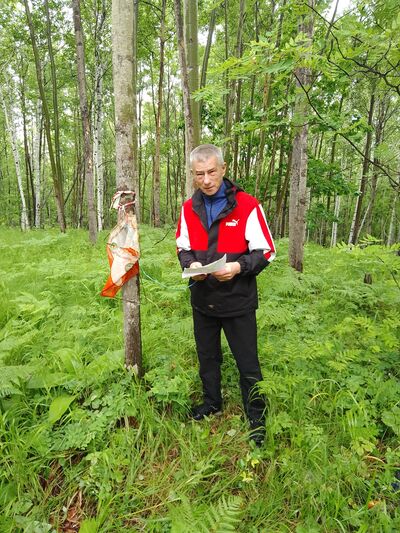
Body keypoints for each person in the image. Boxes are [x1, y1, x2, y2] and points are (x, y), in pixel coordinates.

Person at [176, 144, 276, 446]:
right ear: (193, 174)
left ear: (223, 168)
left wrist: (237, 267)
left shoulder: (247, 205)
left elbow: (266, 251)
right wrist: (192, 265)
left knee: (248, 362)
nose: (206, 180)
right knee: (207, 357)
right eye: (199, 174)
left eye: (211, 172)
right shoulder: (188, 207)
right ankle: (212, 403)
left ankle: (256, 418)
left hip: (237, 299)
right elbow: (183, 247)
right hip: (202, 298)